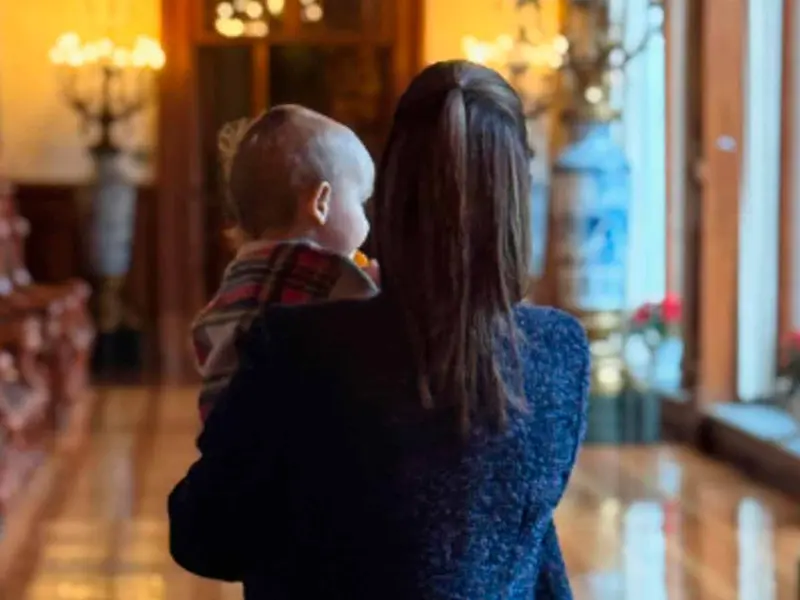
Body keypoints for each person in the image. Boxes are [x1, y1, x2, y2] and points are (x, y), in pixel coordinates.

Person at [169, 60, 589, 599]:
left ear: (394, 189)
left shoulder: (297, 346)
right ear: (517, 196)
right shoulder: (560, 350)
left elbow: (206, 537)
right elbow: (527, 539)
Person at [192, 105, 378, 422]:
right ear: (320, 203)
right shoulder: (331, 277)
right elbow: (382, 343)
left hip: (232, 442)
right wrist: (378, 287)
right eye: (360, 202)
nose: (366, 218)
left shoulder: (237, 279)